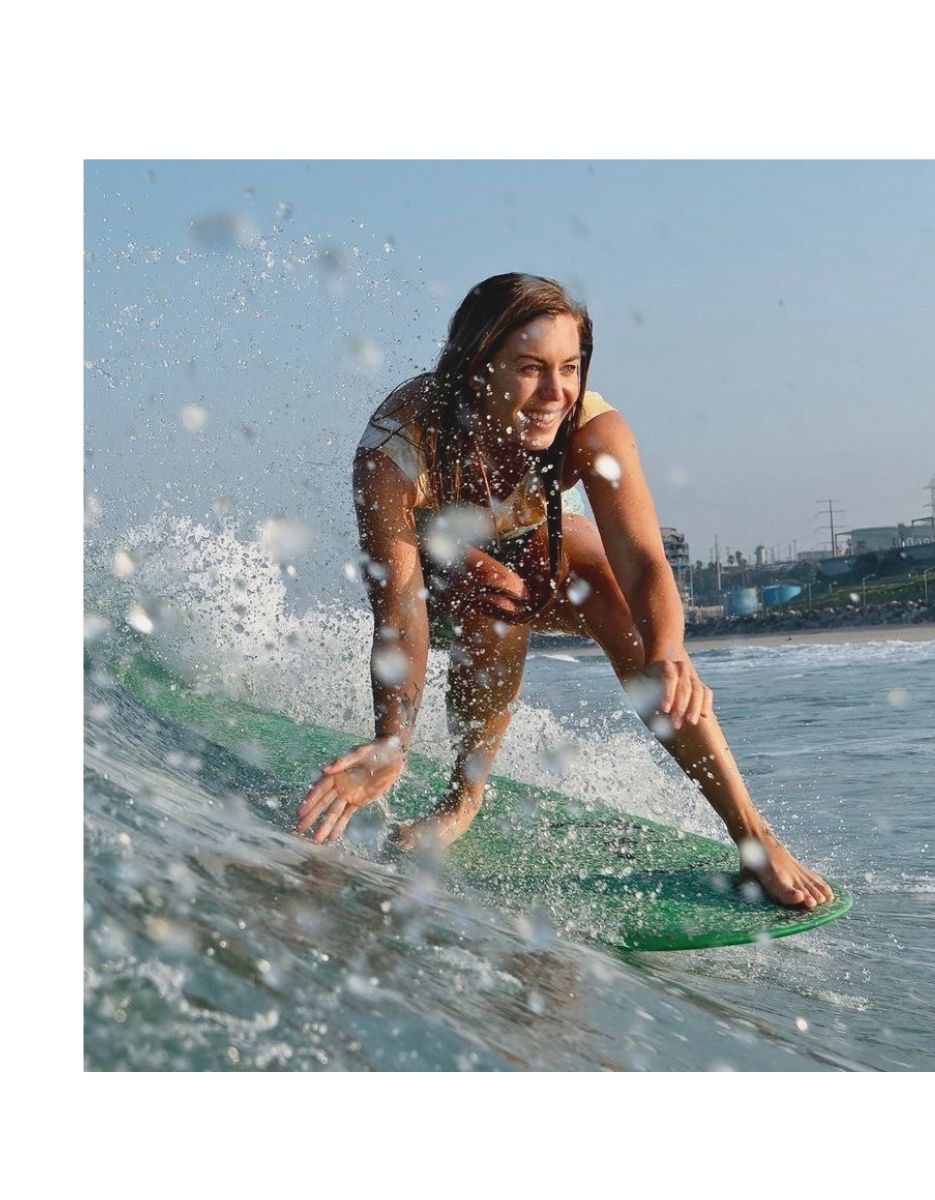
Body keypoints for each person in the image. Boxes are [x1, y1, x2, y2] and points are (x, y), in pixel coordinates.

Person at [296, 273, 833, 909]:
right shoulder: (397, 449)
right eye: (529, 369)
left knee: (613, 595)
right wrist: (392, 740)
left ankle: (753, 834)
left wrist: (667, 651)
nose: (555, 393)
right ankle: (464, 796)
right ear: (476, 367)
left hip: (532, 543)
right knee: (492, 594)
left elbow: (644, 563)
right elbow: (399, 613)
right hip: (434, 570)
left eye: (570, 368)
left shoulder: (593, 432)